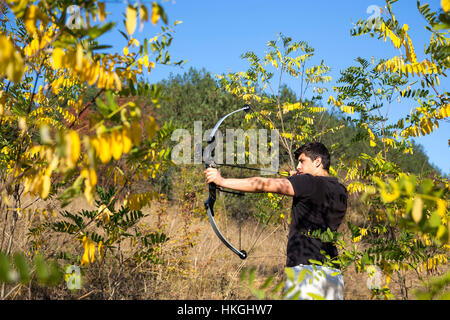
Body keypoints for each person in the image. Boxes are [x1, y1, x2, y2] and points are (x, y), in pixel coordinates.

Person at [204, 141, 348, 300]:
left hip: (306, 273)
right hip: (333, 276)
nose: (298, 166)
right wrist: (298, 181)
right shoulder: (341, 191)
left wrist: (222, 181)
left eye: (302, 161)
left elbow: (264, 184)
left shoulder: (307, 182)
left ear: (317, 161)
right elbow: (315, 200)